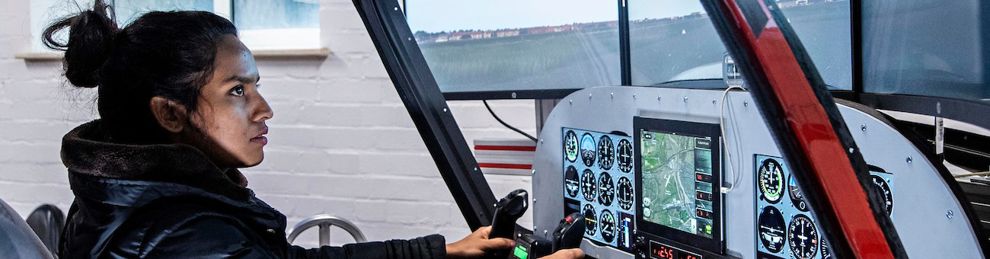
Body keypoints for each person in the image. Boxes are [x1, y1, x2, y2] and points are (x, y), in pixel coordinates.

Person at [45, 1, 584, 258]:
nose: (263, 109)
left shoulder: (129, 200)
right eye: (237, 91)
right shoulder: (186, 238)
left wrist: (437, 253)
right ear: (169, 113)